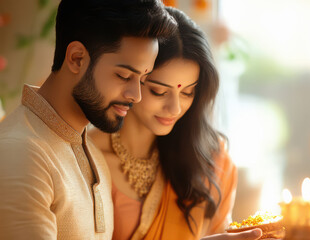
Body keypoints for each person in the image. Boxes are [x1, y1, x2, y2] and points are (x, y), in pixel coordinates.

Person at [0, 0, 177, 239]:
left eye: (143, 79)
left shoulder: (91, 152)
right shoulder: (19, 153)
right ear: (76, 58)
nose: (136, 95)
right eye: (124, 75)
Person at [89, 7, 262, 240]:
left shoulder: (211, 162)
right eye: (159, 91)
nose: (175, 108)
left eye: (187, 93)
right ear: (130, 78)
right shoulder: (86, 158)